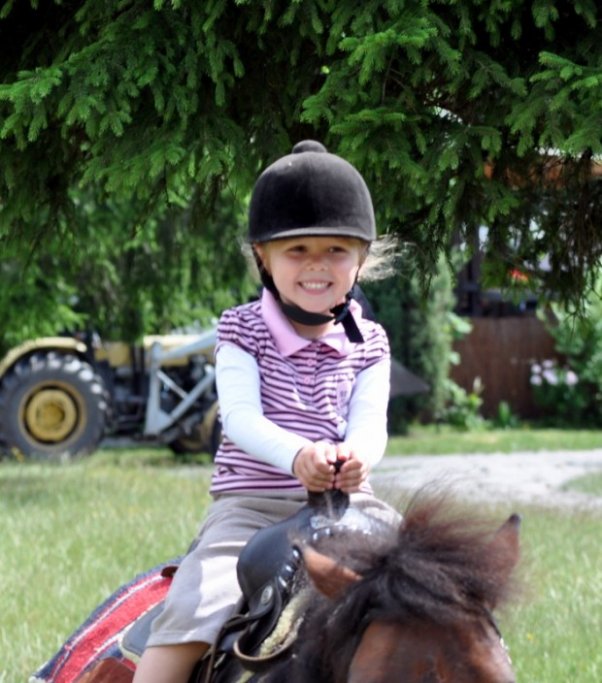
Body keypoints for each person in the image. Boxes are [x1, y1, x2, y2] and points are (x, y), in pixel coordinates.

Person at [133, 140, 400, 683]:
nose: (317, 265)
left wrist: (358, 458)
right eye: (296, 249)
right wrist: (298, 454)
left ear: (361, 260)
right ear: (263, 255)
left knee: (438, 585)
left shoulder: (370, 342)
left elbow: (371, 422)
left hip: (349, 507)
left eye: (335, 250)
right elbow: (240, 418)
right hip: (251, 511)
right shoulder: (241, 330)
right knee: (196, 605)